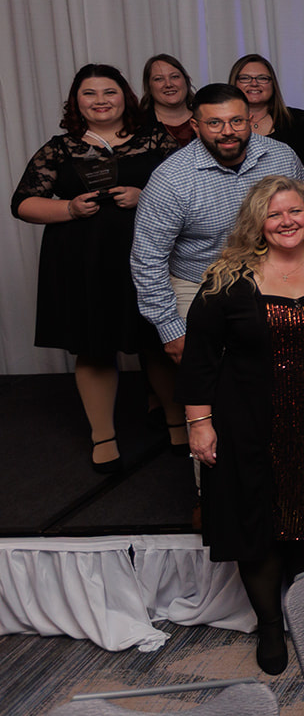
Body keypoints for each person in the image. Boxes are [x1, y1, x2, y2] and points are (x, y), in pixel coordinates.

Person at [180, 176, 304, 673]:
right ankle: (270, 627)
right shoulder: (227, 279)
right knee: (256, 526)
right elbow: (199, 359)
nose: (287, 221)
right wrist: (199, 423)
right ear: (258, 223)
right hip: (246, 424)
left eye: (295, 211)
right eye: (274, 215)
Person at [13, 64, 180, 470]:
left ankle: (180, 423)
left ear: (126, 96)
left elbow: (188, 188)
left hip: (147, 257)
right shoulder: (60, 148)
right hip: (83, 261)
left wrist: (145, 195)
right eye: (90, 93)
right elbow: (23, 203)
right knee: (94, 347)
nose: (100, 100)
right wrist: (68, 209)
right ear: (76, 101)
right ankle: (102, 436)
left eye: (109, 91)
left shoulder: (156, 139)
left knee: (159, 341)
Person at [132, 83, 304, 368]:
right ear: (195, 126)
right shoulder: (170, 180)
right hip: (199, 282)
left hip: (273, 275)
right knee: (211, 373)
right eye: (214, 123)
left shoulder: (282, 158)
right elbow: (147, 258)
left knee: (283, 364)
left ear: (250, 120)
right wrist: (170, 328)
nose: (227, 131)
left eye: (236, 121)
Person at [230, 54, 303, 147]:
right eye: (245, 78)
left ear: (273, 84)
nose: (254, 83)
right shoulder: (219, 124)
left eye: (262, 78)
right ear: (234, 83)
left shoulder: (299, 120)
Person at [139, 53, 196, 145]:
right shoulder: (137, 125)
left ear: (186, 81)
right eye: (159, 79)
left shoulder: (205, 119)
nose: (168, 84)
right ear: (149, 86)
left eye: (174, 77)